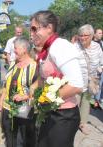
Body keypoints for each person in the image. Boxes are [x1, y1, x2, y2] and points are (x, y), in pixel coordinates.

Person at [30, 10, 84, 147]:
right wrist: (34, 90)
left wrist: (47, 99)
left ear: (49, 27)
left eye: (34, 29)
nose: (31, 33)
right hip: (50, 112)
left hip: (63, 116)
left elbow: (77, 84)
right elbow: (44, 77)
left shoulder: (60, 46)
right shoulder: (46, 49)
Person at [0, 37, 37, 147]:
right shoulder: (13, 63)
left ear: (24, 49)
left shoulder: (34, 66)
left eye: (15, 48)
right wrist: (1, 100)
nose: (13, 50)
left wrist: (25, 96)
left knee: (23, 138)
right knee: (9, 135)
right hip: (8, 107)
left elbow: (38, 90)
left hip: (24, 108)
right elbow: (6, 83)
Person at [74, 24, 103, 134]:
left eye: (85, 35)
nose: (82, 37)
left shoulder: (97, 46)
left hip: (91, 80)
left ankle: (83, 123)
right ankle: (72, 122)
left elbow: (102, 60)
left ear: (91, 35)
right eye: (80, 35)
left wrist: (100, 69)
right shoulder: (75, 47)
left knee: (86, 102)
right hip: (77, 80)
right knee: (75, 102)